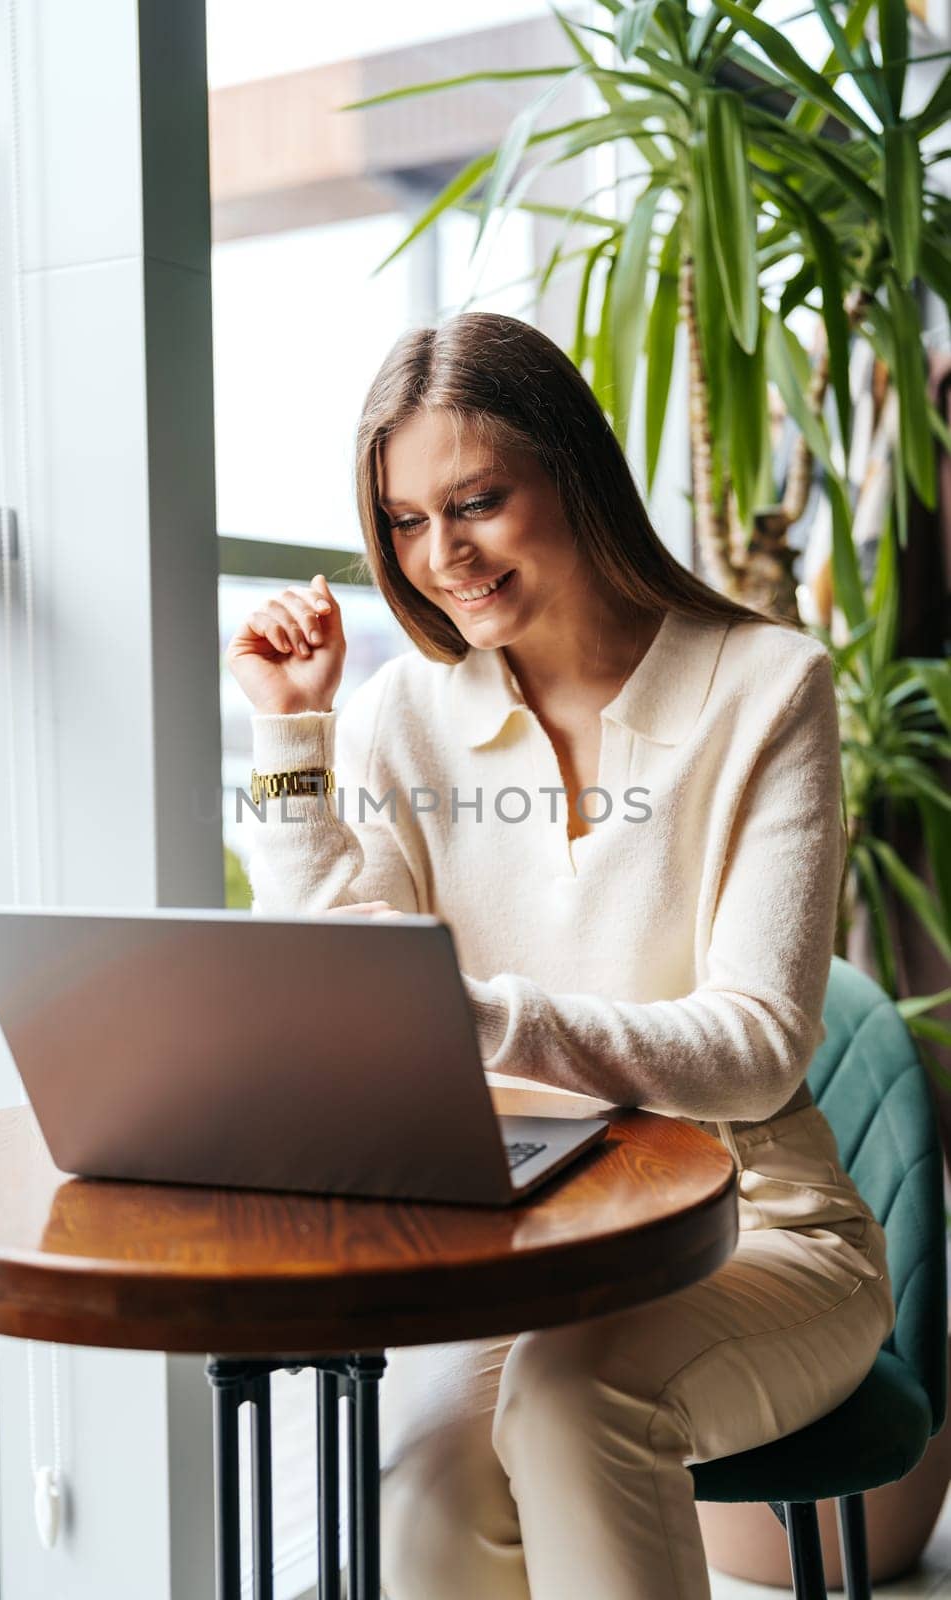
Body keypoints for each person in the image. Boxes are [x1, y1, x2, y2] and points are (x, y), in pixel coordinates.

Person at [225, 310, 895, 1599]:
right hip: (519, 1244)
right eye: (408, 523)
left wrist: (467, 1018)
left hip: (755, 1230)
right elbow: (335, 996)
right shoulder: (393, 719)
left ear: (573, 473)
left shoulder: (768, 686)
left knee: (574, 1406)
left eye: (476, 501)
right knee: (422, 1478)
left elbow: (755, 1050)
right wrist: (291, 741)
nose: (444, 558)